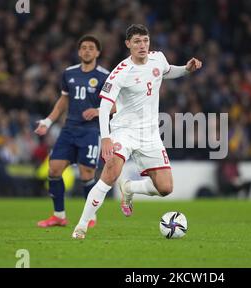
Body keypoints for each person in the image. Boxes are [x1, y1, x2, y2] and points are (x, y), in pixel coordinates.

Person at [72, 24, 202, 239]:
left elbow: (168, 72)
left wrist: (187, 69)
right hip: (124, 131)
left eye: (145, 40)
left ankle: (129, 188)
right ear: (128, 45)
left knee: (165, 188)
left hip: (149, 134)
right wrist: (105, 138)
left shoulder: (157, 58)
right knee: (110, 173)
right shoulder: (120, 73)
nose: (142, 45)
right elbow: (104, 107)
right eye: (137, 42)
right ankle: (82, 226)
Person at [34, 35, 110, 228]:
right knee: (54, 169)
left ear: (98, 52)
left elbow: (117, 105)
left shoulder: (105, 76)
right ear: (78, 52)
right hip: (69, 129)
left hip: (91, 131)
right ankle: (59, 216)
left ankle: (90, 217)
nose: (87, 51)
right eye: (83, 47)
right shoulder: (69, 73)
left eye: (91, 48)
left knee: (86, 174)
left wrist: (98, 111)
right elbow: (63, 101)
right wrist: (48, 121)